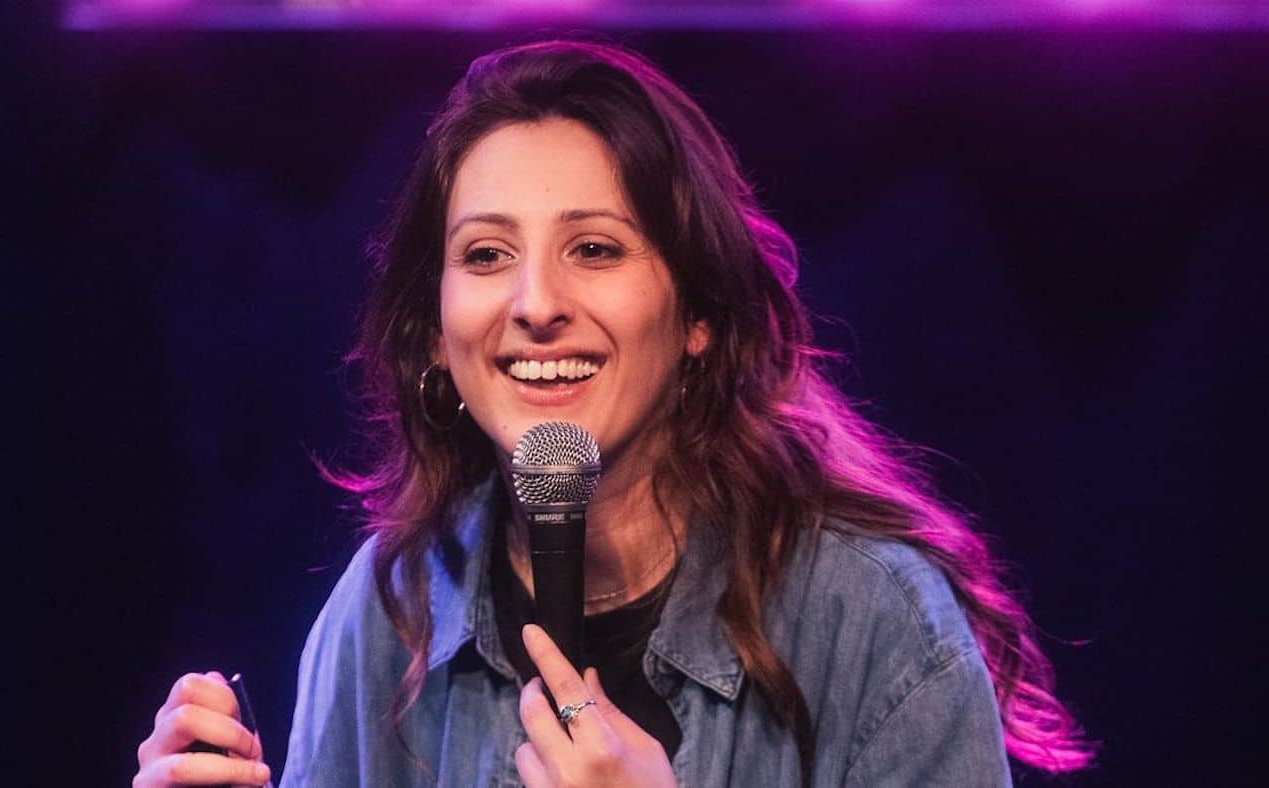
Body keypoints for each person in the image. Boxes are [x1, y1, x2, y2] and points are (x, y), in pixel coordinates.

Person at [134, 39, 1094, 787]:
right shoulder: (391, 612)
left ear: (700, 316)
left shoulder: (872, 621)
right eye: (486, 255)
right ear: (434, 332)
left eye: (594, 249)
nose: (536, 304)